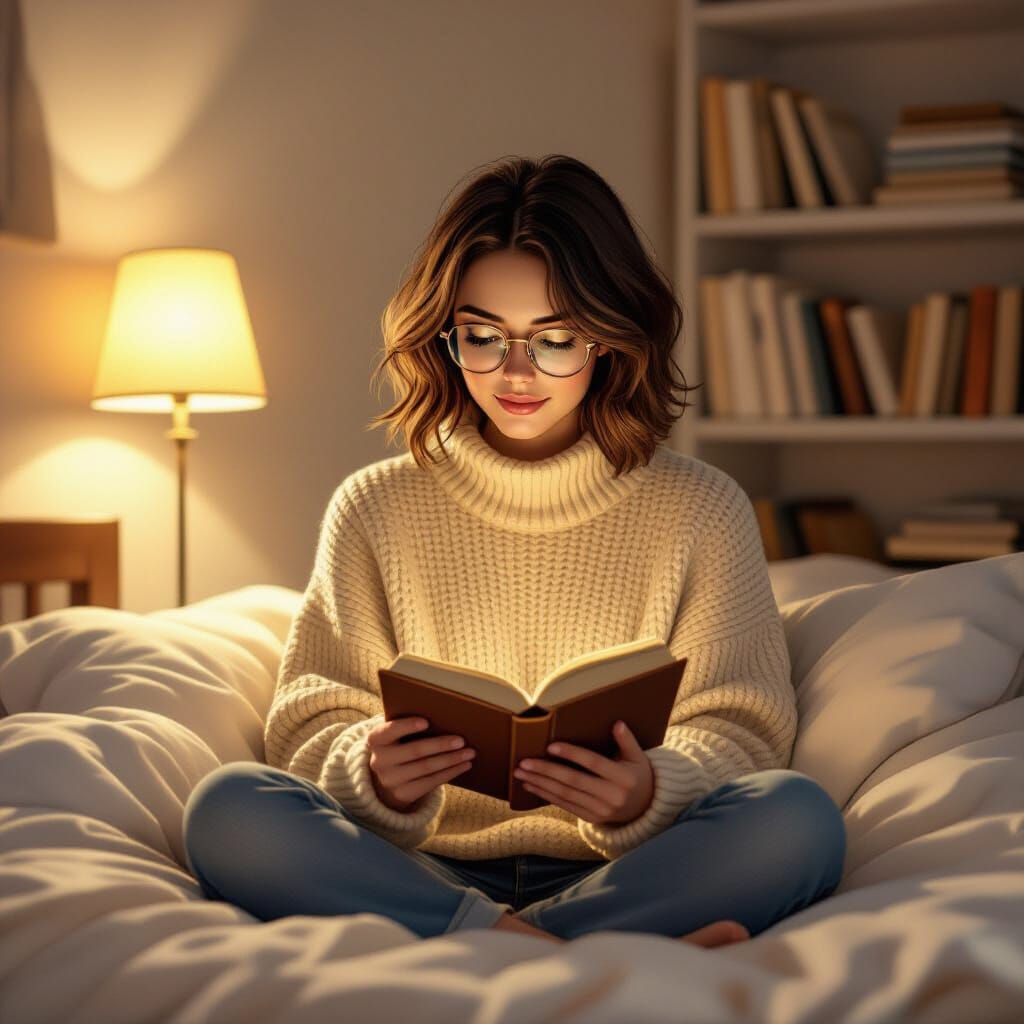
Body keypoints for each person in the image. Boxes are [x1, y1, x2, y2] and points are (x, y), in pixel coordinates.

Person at [182, 154, 847, 950]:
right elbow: (308, 719)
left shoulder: (702, 507)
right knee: (229, 807)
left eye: (555, 338)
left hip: (630, 865)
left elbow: (744, 729)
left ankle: (488, 945)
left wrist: (647, 791)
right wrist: (373, 771)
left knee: (797, 820)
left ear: (609, 337)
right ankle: (555, 949)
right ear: (445, 336)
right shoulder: (374, 504)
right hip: (418, 867)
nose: (517, 372)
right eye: (483, 336)